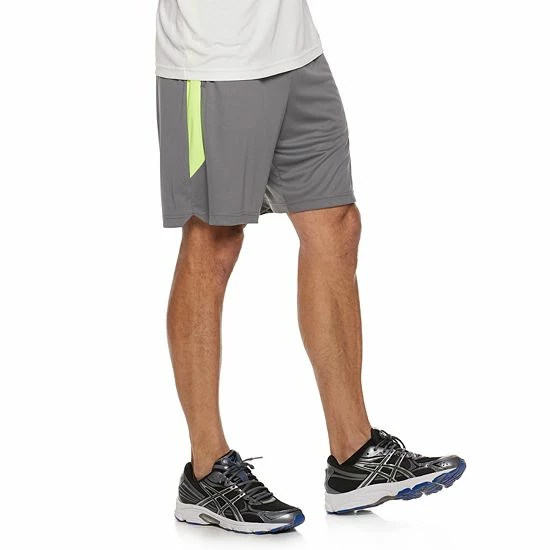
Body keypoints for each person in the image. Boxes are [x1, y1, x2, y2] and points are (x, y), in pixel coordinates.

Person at [156, 0, 465, 534]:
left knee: (335, 223)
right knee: (213, 239)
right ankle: (207, 470)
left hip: (296, 51)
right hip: (215, 60)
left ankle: (354, 455)